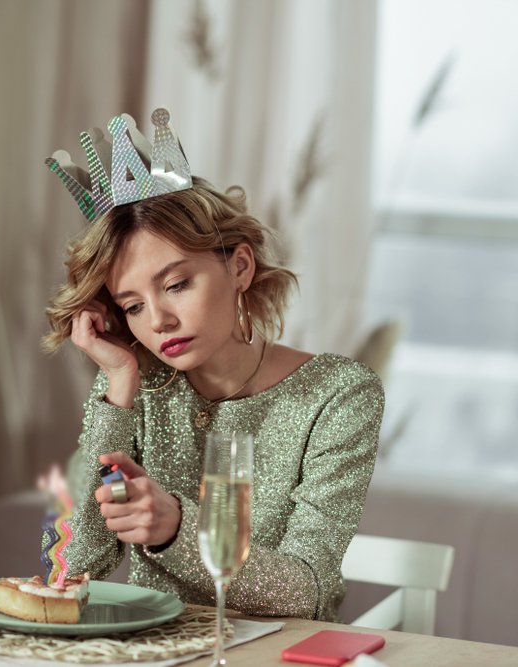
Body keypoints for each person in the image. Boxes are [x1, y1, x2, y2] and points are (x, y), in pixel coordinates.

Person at [42, 110, 384, 621]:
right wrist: (119, 383)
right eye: (132, 306)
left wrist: (176, 530)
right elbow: (72, 568)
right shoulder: (133, 388)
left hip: (278, 653)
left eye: (177, 284)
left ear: (240, 267)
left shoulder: (337, 394)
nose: (158, 320)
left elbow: (306, 592)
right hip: (156, 651)